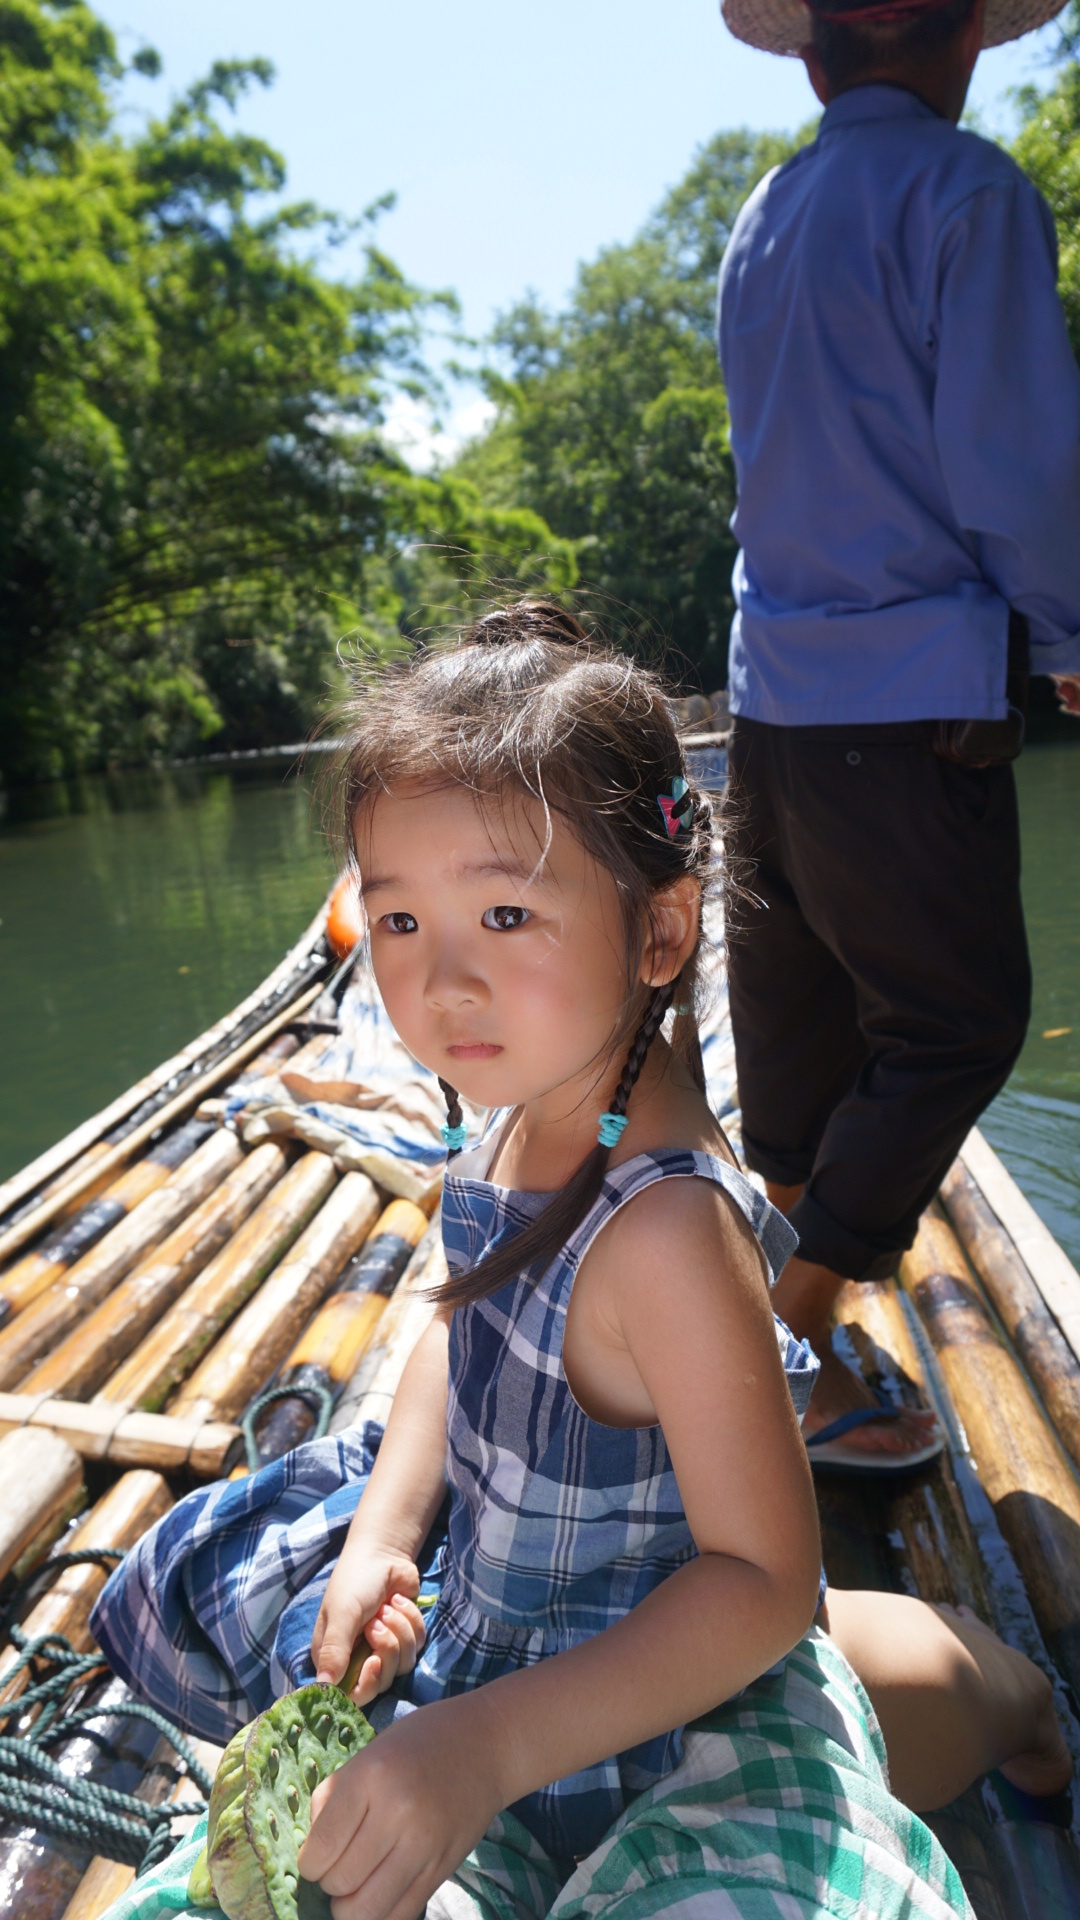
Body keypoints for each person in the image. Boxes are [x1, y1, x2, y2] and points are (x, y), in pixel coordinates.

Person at [92, 604, 1068, 1920]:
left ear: (660, 938)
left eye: (504, 913)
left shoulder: (661, 1229)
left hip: (678, 1702)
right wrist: (385, 1527)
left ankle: (1015, 1695)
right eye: (396, 924)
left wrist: (482, 1747)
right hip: (493, 1630)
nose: (441, 984)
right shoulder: (521, 1116)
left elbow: (767, 1585)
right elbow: (458, 1324)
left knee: (828, 1694)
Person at [717, 0, 1080, 1461]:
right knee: (958, 1020)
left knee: (798, 1033)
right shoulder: (968, 190)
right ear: (963, 47)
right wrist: (1066, 634)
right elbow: (1013, 457)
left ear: (812, 59)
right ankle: (773, 1349)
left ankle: (773, 1311)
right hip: (907, 698)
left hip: (770, 702)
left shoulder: (766, 209)